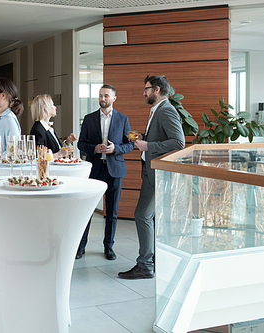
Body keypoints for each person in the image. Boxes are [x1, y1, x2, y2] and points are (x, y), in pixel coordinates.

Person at [118, 75, 185, 279]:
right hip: (151, 172)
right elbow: (162, 139)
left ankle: (146, 265)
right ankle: (152, 261)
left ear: (156, 90)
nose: (143, 92)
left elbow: (179, 142)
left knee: (143, 215)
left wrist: (149, 146)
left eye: (146, 89)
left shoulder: (166, 111)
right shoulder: (157, 110)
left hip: (158, 173)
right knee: (147, 216)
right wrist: (144, 139)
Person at [76, 84, 134, 260]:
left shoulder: (123, 119)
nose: (103, 99)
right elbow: (81, 144)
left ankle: (109, 247)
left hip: (114, 170)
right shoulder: (89, 118)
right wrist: (95, 148)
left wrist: (115, 149)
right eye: (101, 96)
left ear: (114, 98)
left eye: (106, 96)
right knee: (87, 210)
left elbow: (130, 144)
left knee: (112, 211)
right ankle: (81, 246)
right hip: (94, 169)